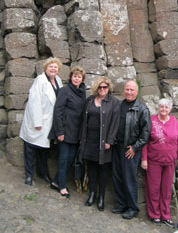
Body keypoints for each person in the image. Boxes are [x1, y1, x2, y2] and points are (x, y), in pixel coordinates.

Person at [19, 57, 63, 186]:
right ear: (46, 68)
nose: (53, 69)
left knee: (44, 149)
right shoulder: (40, 80)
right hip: (38, 120)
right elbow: (34, 101)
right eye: (51, 67)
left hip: (49, 121)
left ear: (58, 69)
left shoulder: (58, 81)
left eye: (55, 67)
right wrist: (37, 122)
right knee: (30, 148)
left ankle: (42, 172)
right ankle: (29, 175)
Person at [112, 80, 151, 220]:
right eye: (127, 89)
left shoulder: (142, 109)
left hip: (130, 149)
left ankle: (133, 208)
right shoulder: (120, 105)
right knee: (117, 176)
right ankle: (122, 204)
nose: (129, 92)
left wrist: (135, 147)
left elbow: (146, 134)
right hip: (117, 146)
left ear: (137, 91)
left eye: (132, 90)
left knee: (129, 178)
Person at [79, 77, 120, 211]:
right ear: (97, 88)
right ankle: (92, 193)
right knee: (91, 167)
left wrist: (109, 140)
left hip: (104, 141)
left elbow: (115, 123)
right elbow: (84, 120)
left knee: (102, 169)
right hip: (90, 140)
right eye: (100, 87)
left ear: (109, 88)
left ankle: (101, 196)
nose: (102, 89)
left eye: (105, 87)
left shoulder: (113, 102)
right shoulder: (90, 100)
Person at [141, 98, 178, 228]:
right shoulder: (152, 120)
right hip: (154, 160)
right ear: (158, 108)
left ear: (170, 109)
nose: (164, 109)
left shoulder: (174, 121)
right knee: (153, 189)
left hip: (169, 161)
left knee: (166, 190)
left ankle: (165, 215)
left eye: (166, 107)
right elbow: (145, 140)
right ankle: (154, 214)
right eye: (161, 107)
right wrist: (144, 159)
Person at [48, 66, 86, 198]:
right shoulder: (64, 91)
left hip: (76, 132)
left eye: (79, 77)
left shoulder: (82, 93)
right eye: (74, 76)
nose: (76, 78)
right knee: (64, 159)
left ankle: (56, 181)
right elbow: (58, 111)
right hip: (65, 130)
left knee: (70, 160)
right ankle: (62, 186)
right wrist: (59, 131)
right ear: (71, 77)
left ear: (82, 79)